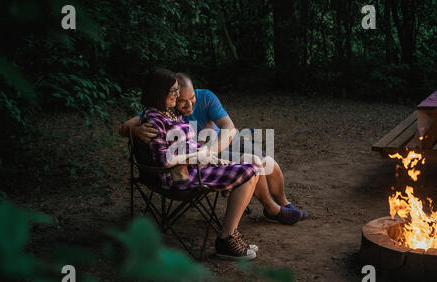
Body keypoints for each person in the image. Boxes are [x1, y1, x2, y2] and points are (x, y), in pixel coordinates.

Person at [119, 72, 307, 225]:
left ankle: (283, 202)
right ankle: (273, 209)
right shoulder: (164, 110)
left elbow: (229, 128)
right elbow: (126, 127)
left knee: (268, 163)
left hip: (219, 143)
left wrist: (209, 152)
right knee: (256, 163)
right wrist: (135, 131)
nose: (189, 104)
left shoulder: (206, 97)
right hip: (197, 154)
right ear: (171, 97)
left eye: (192, 97)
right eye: (181, 100)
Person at [137, 68, 260, 261]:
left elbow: (186, 146)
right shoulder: (154, 120)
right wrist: (198, 155)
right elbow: (164, 160)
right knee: (251, 172)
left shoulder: (168, 113)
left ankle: (229, 235)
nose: (178, 96)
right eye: (174, 91)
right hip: (180, 177)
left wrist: (210, 157)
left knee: (251, 166)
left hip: (196, 168)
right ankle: (226, 239)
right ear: (160, 93)